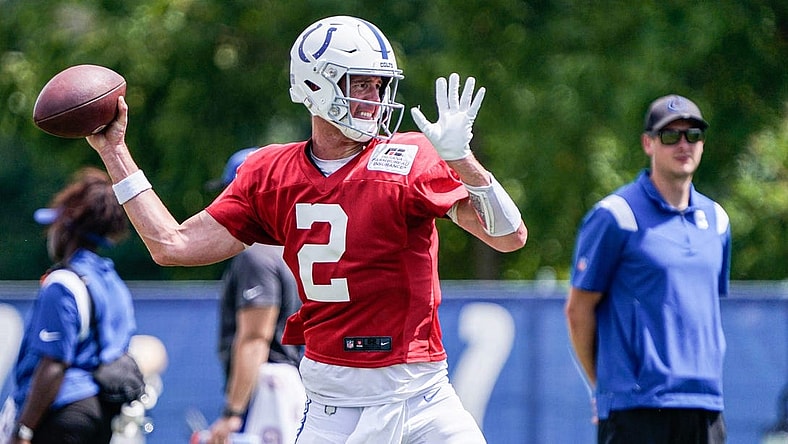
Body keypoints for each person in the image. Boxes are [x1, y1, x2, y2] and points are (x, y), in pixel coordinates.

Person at [86, 15, 527, 443]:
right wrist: (115, 150)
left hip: (421, 395)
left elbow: (509, 237)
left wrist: (463, 161)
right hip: (330, 404)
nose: (375, 97)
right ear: (316, 85)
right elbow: (172, 245)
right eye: (360, 83)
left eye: (379, 84)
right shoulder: (269, 172)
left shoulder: (410, 156)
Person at [565, 94, 730, 443]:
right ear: (648, 143)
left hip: (705, 405)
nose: (683, 144)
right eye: (670, 135)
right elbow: (578, 310)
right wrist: (606, 388)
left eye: (693, 134)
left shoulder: (717, 220)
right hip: (636, 409)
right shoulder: (616, 215)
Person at [12, 167, 137, 444]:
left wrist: (23, 430)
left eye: (53, 225)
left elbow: (55, 363)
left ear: (67, 228)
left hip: (63, 413)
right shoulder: (111, 280)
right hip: (101, 413)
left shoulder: (62, 283)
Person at [206, 149, 305, 444]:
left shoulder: (256, 256)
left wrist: (232, 413)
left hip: (266, 388)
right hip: (287, 383)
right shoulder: (290, 249)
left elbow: (255, 339)